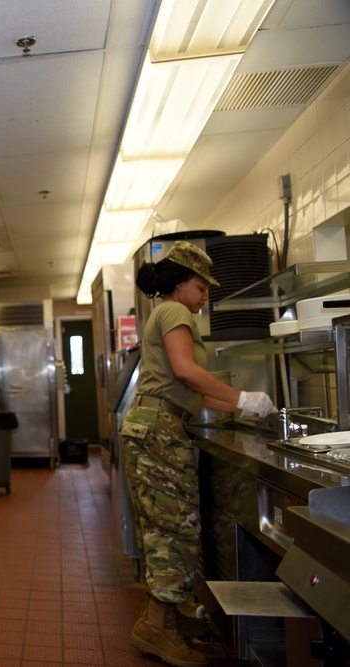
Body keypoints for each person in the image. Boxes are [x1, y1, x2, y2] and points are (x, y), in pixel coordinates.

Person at [120, 241, 274, 667]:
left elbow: (194, 394)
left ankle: (172, 618)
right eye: (203, 286)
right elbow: (188, 371)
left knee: (169, 528)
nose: (206, 295)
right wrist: (243, 396)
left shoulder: (170, 313)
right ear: (183, 282)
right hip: (160, 432)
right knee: (174, 531)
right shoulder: (175, 312)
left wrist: (248, 405)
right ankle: (156, 627)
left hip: (158, 426)